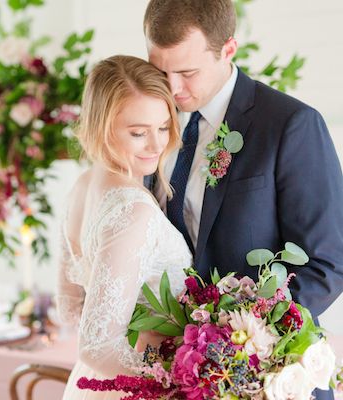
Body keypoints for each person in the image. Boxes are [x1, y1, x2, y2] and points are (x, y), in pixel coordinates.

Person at [144, 1, 343, 399]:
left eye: (187, 72)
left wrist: (245, 341)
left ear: (228, 49)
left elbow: (328, 262)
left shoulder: (291, 125)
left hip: (270, 376)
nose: (172, 87)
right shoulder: (155, 123)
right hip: (185, 378)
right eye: (159, 70)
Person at [57, 55, 191, 399]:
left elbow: (69, 308)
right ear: (103, 127)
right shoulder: (132, 209)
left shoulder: (82, 187)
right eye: (137, 133)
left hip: (91, 382)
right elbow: (96, 346)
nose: (157, 144)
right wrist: (182, 377)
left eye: (163, 127)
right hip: (138, 387)